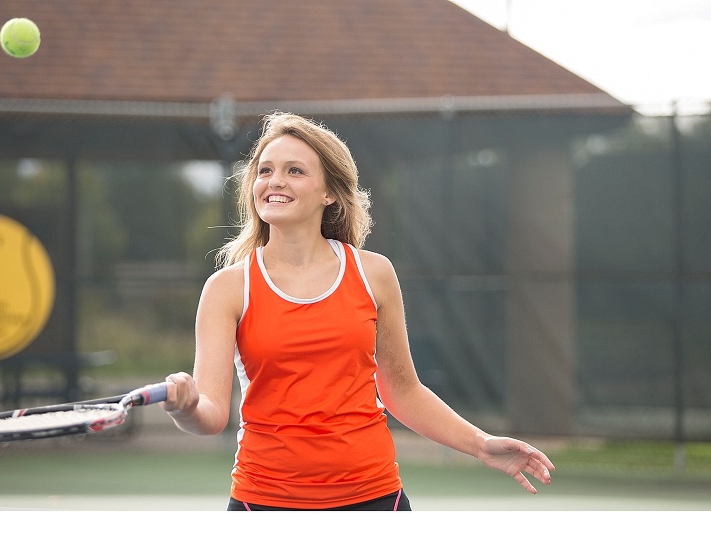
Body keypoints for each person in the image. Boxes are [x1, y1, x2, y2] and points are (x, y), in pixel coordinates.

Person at [161, 111, 555, 511]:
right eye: (265, 171)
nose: (274, 181)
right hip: (263, 504)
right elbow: (210, 416)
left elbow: (402, 391)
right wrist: (187, 406)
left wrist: (481, 444)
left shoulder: (375, 273)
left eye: (294, 170)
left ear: (329, 192)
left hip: (375, 500)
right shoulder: (227, 288)